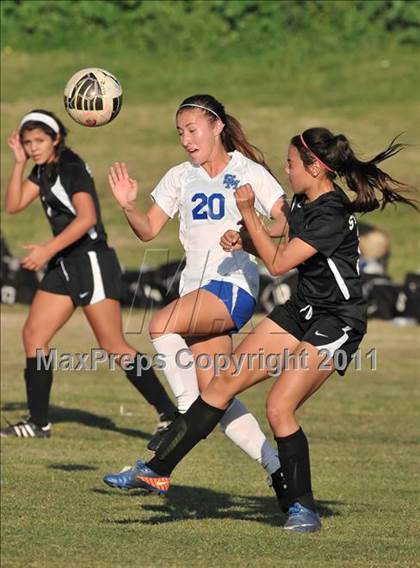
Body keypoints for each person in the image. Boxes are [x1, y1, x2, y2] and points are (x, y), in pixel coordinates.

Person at [104, 127, 417, 532]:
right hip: (301, 310)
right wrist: (245, 241)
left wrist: (249, 214)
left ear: (317, 168)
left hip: (337, 320)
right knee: (222, 384)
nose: (286, 171)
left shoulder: (331, 212)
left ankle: (303, 509)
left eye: (291, 163)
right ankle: (156, 470)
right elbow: (278, 248)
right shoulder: (306, 202)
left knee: (279, 407)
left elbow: (279, 264)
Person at [106, 94, 289, 487]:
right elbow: (148, 230)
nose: (186, 139)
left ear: (217, 126)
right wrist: (127, 206)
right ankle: (277, 469)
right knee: (218, 397)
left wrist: (247, 233)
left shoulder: (248, 171)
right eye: (180, 133)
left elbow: (284, 222)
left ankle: (182, 414)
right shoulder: (179, 176)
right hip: (197, 291)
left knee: (159, 325)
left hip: (234, 287)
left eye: (192, 130)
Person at [1, 110, 177, 438]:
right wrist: (18, 162)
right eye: (27, 143)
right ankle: (38, 423)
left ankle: (169, 415)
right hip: (65, 264)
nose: (33, 147)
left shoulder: (71, 167)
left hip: (90, 261)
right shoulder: (42, 168)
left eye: (39, 141)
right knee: (33, 336)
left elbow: (87, 218)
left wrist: (46, 250)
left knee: (113, 344)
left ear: (56, 138)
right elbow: (12, 205)